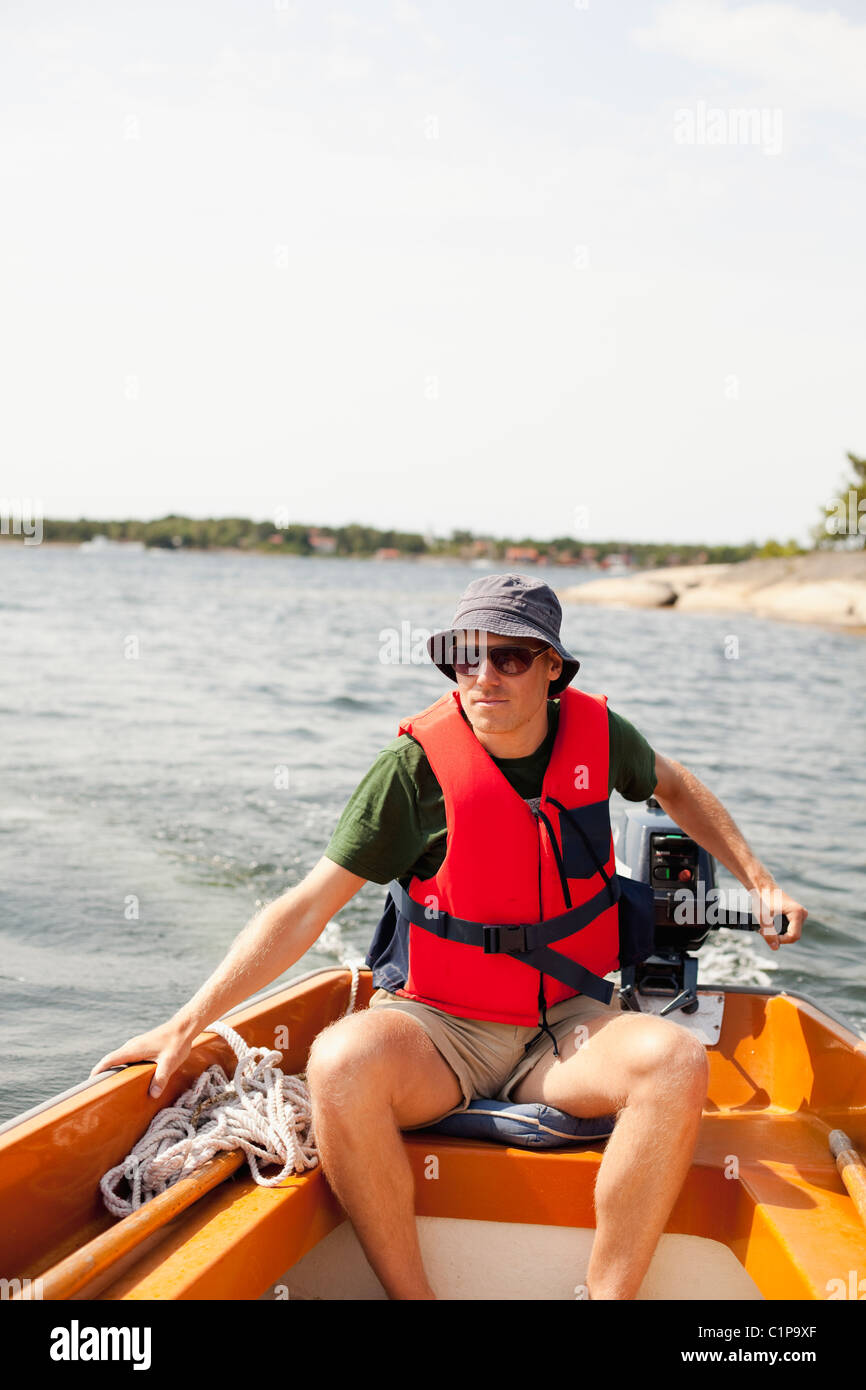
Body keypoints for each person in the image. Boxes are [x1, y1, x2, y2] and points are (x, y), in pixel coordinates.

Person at [91, 573, 807, 1300]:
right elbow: (306, 908)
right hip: (441, 1032)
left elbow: (675, 786)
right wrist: (188, 1023)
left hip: (569, 1024)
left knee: (679, 1061)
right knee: (339, 1063)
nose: (484, 676)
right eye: (466, 657)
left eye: (511, 659)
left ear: (553, 667)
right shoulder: (410, 773)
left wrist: (761, 881)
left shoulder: (600, 736)